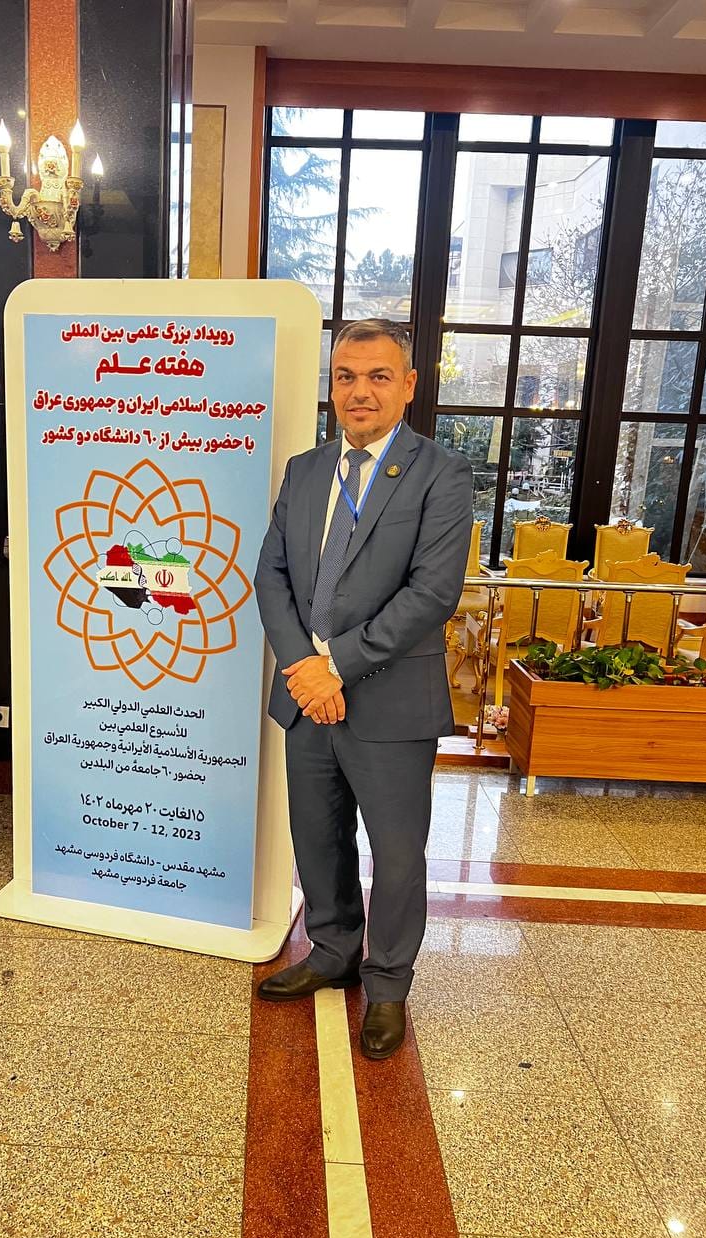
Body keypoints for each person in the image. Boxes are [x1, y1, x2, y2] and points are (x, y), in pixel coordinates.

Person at [253, 317, 473, 1060]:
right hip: (306, 698)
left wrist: (336, 666)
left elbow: (431, 594)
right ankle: (333, 951)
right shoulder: (306, 470)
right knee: (318, 838)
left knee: (398, 854)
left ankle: (387, 986)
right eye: (345, 376)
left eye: (378, 376)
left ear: (408, 385)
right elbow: (272, 576)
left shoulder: (441, 475)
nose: (359, 392)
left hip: (388, 701)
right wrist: (303, 669)